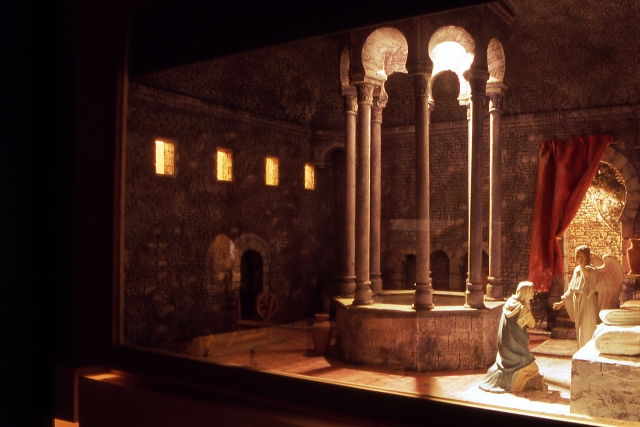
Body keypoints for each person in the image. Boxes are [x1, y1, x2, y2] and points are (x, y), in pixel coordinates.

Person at [479, 281, 542, 393]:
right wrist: (528, 310)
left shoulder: (510, 303)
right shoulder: (523, 308)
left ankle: (513, 376)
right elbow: (532, 324)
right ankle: (515, 379)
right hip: (516, 352)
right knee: (533, 368)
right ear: (525, 293)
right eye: (531, 291)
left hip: (504, 351)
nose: (533, 294)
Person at [552, 245, 599, 349]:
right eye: (576, 255)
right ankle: (581, 350)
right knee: (580, 329)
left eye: (579, 255)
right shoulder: (577, 270)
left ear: (585, 256)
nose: (576, 257)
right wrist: (561, 303)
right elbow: (571, 290)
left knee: (587, 328)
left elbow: (588, 277)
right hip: (577, 302)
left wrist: (582, 266)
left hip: (587, 303)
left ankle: (588, 352)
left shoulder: (591, 270)